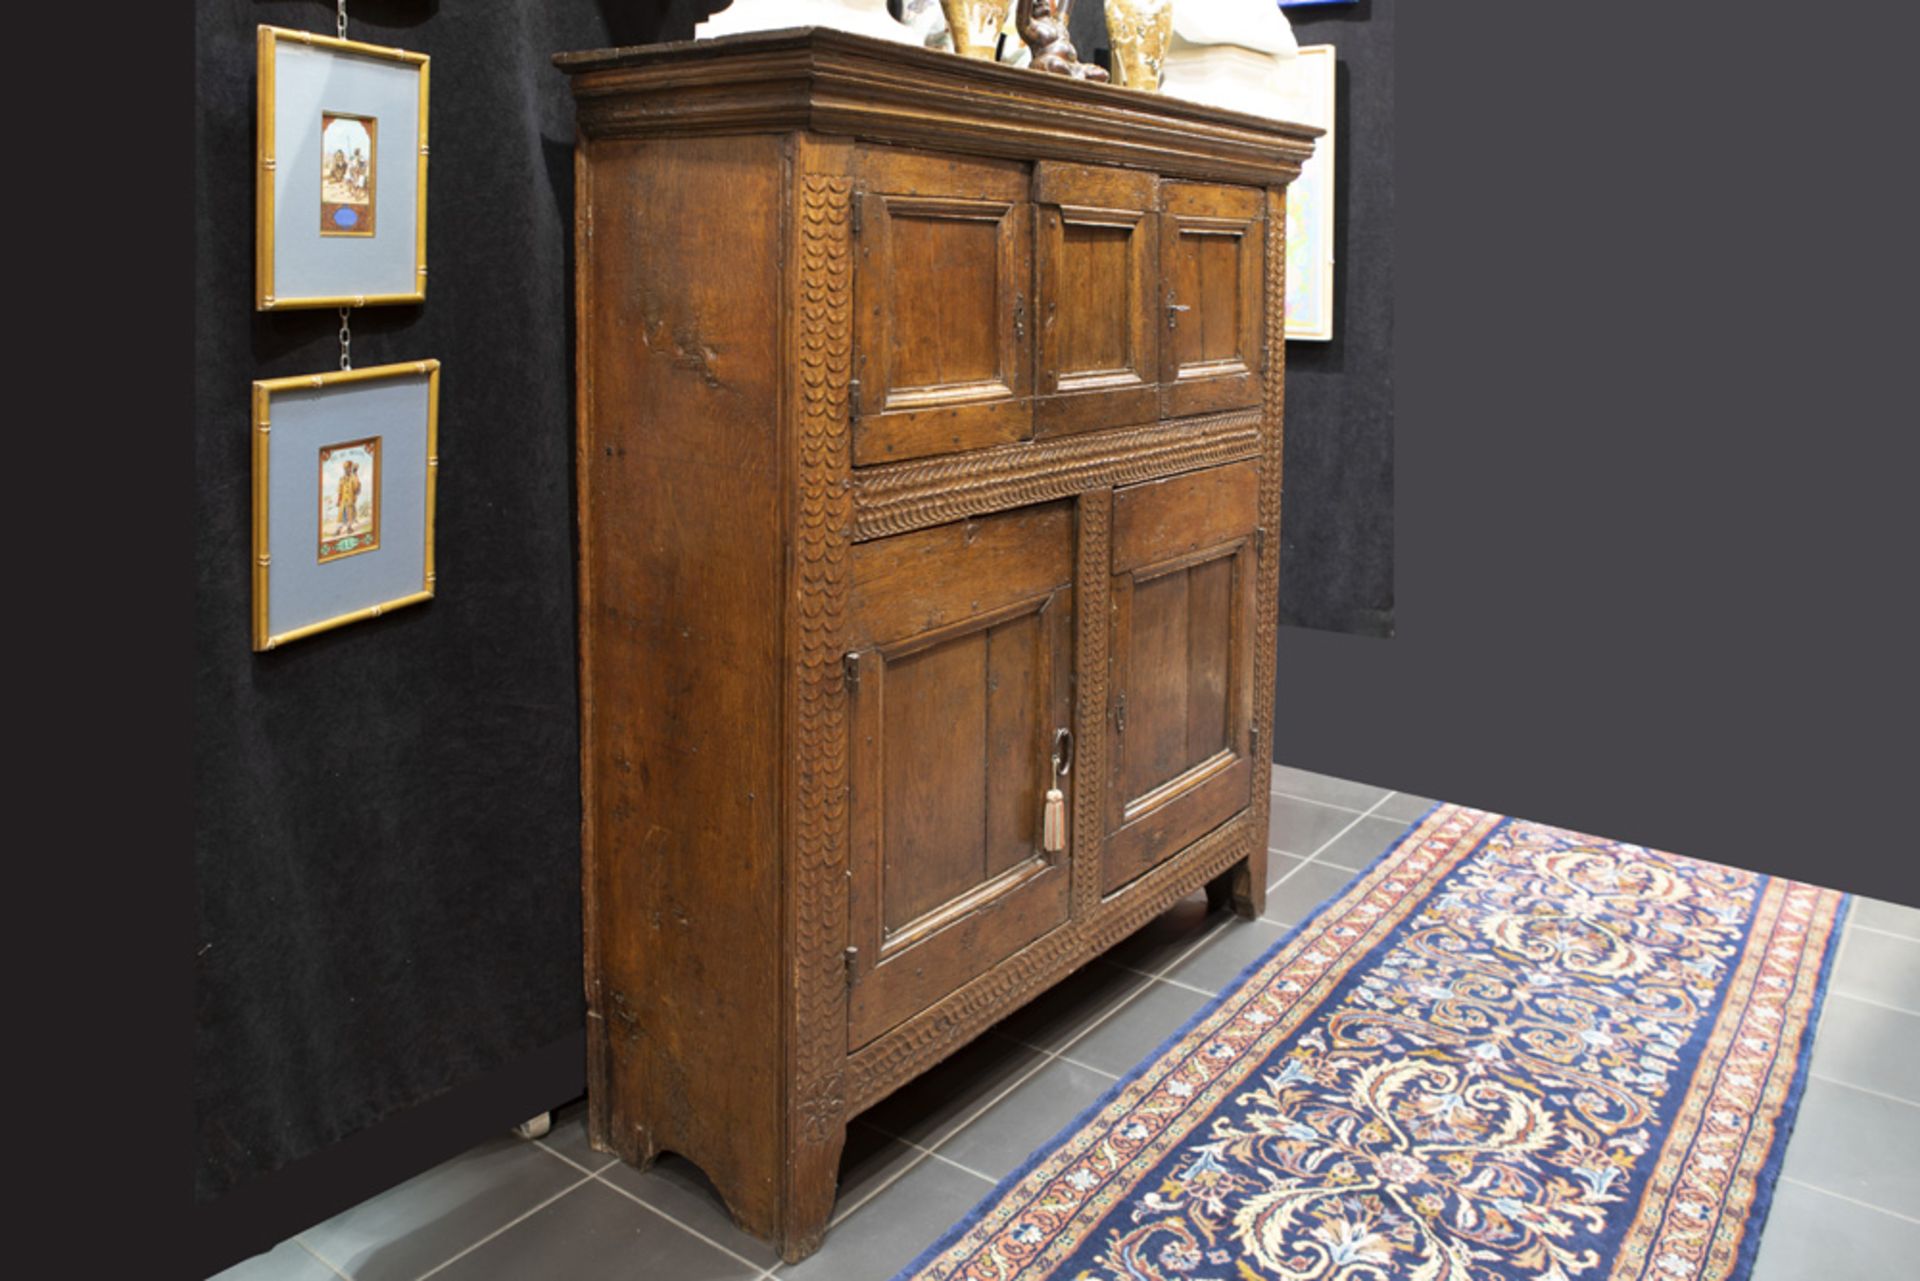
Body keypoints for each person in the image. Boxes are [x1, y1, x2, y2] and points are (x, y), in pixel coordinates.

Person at [335, 458, 361, 536]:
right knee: (342, 516)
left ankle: (349, 528)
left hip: (350, 501)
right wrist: (338, 500)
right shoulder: (342, 479)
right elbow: (339, 490)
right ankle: (338, 530)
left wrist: (355, 473)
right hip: (343, 501)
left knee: (350, 515)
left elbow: (357, 488)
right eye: (345, 468)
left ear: (351, 468)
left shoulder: (353, 478)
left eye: (348, 468)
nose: (347, 470)